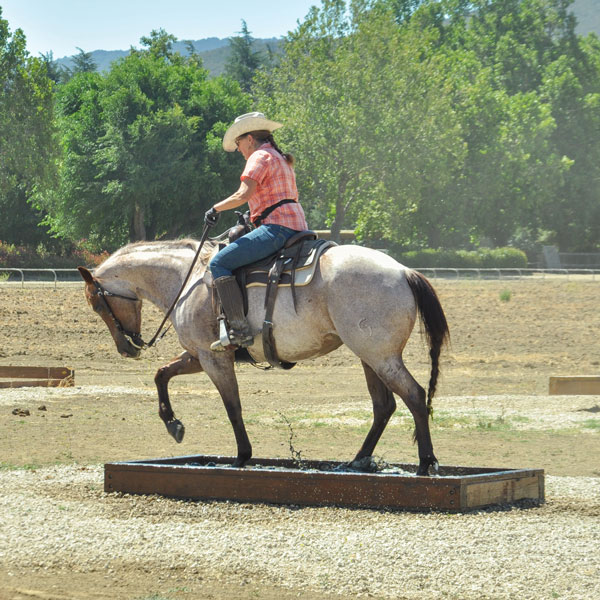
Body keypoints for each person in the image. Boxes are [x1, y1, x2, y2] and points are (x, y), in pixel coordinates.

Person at [205, 112, 308, 351]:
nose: (239, 149)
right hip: (298, 226)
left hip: (277, 228)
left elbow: (242, 195)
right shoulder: (280, 158)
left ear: (249, 139)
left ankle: (239, 330)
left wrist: (215, 209)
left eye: (239, 143)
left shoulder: (259, 157)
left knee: (219, 263)